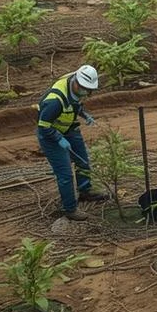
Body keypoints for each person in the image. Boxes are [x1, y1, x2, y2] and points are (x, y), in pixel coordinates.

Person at [36, 64, 106, 222]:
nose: (86, 93)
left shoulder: (77, 87)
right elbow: (43, 125)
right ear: (76, 81)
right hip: (50, 135)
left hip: (69, 127)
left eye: (89, 90)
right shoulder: (54, 100)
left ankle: (85, 190)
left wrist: (83, 114)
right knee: (65, 174)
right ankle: (70, 209)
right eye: (84, 89)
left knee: (83, 161)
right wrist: (58, 138)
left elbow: (75, 104)